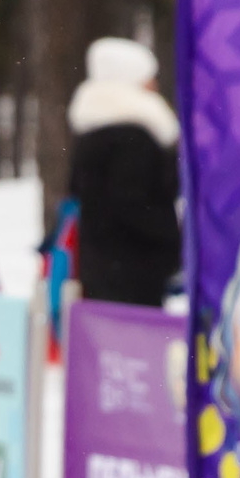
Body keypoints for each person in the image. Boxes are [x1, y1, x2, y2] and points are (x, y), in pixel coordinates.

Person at [65, 37, 182, 308]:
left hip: (100, 269)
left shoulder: (91, 134)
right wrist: (172, 242)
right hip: (135, 271)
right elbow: (134, 205)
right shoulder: (133, 137)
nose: (155, 85)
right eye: (149, 78)